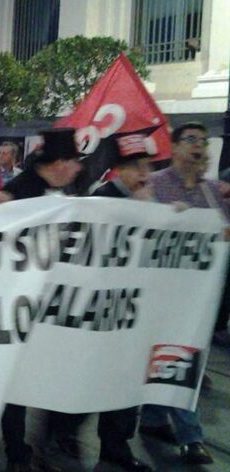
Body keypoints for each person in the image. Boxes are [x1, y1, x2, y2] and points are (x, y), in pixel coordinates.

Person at [0, 128, 83, 472]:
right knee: (17, 385)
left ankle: (53, 435)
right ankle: (17, 453)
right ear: (59, 163)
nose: (78, 169)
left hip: (57, 303)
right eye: (74, 162)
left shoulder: (66, 189)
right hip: (21, 304)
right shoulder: (17, 193)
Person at [138, 121, 225, 466]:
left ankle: (154, 419)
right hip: (161, 292)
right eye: (190, 139)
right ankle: (191, 436)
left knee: (172, 356)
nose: (198, 146)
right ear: (173, 148)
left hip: (199, 295)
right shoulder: (156, 186)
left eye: (202, 141)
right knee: (178, 356)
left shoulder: (213, 192)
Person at [88, 134, 154, 472]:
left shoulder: (146, 199)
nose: (144, 174)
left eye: (147, 167)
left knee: (127, 380)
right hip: (107, 310)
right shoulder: (105, 198)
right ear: (119, 171)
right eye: (136, 168)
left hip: (134, 308)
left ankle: (116, 446)